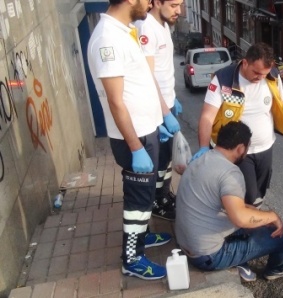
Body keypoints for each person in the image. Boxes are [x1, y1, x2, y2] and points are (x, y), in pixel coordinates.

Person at [87, 0, 180, 280]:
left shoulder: (124, 30)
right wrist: (136, 147)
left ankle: (142, 236)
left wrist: (159, 118)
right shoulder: (107, 38)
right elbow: (116, 101)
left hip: (146, 129)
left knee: (144, 194)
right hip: (134, 138)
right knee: (138, 200)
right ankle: (132, 257)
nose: (150, 3)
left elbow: (141, 81)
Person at [175, 121, 283, 282]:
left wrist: (262, 216)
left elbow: (236, 207)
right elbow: (240, 218)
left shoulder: (202, 159)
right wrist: (272, 216)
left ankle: (241, 261)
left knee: (258, 221)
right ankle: (278, 269)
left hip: (187, 243)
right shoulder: (231, 173)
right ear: (241, 148)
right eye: (247, 149)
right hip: (208, 256)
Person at [192, 42, 283, 210]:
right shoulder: (224, 80)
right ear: (245, 62)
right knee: (247, 195)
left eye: (264, 74)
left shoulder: (273, 77)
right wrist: (203, 146)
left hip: (265, 148)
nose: (260, 78)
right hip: (237, 152)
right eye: (256, 72)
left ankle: (250, 220)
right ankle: (244, 227)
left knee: (260, 193)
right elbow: (207, 116)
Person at [134, 0, 184, 221]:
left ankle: (164, 195)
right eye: (174, 5)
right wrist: (164, 112)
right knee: (159, 160)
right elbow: (148, 75)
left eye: (180, 5)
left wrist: (173, 99)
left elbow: (164, 71)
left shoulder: (163, 24)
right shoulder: (146, 28)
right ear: (156, 2)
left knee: (167, 159)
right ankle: (156, 202)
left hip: (167, 102)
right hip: (157, 108)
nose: (179, 11)